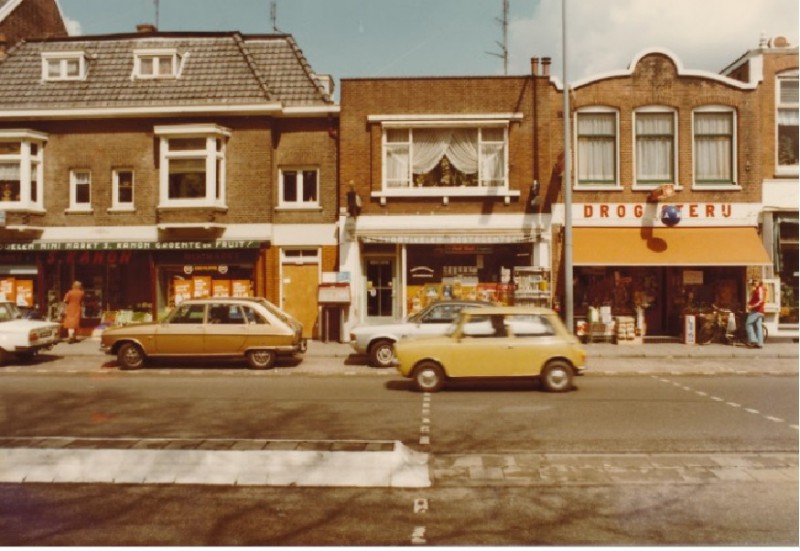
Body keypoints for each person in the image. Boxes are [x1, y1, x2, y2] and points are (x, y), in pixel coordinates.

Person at [745, 279, 765, 349]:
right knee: (758, 326)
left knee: (748, 324)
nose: (755, 283)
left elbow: (761, 301)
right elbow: (754, 300)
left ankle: (753, 340)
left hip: (757, 311)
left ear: (759, 282)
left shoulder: (759, 289)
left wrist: (752, 306)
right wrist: (749, 303)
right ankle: (760, 344)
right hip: (759, 311)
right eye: (754, 282)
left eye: (756, 281)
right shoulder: (756, 289)